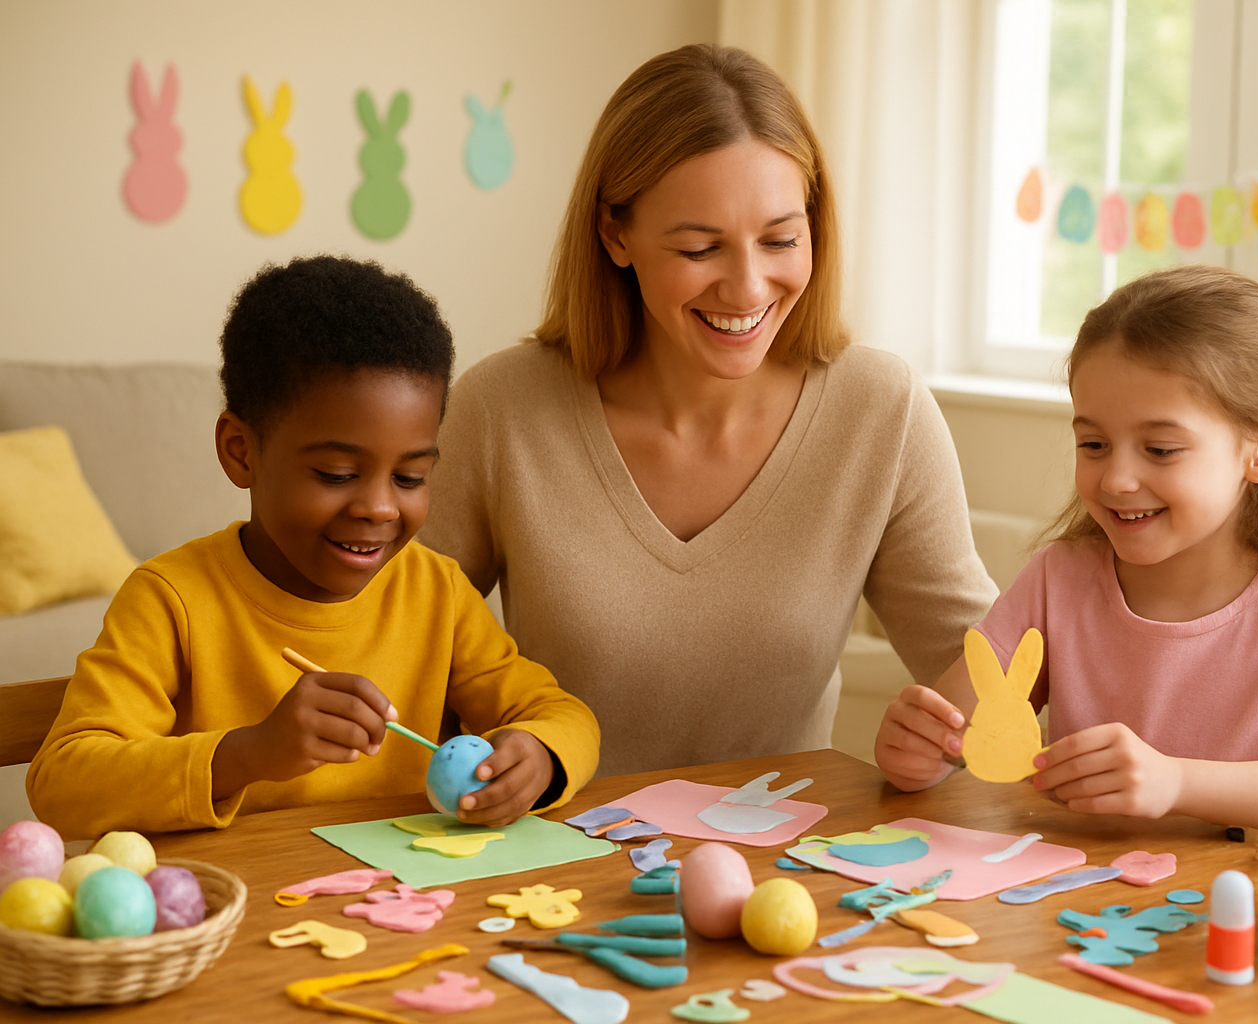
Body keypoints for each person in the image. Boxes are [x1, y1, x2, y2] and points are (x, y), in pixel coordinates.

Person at [418, 44, 997, 776]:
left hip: (784, 875)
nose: (748, 287)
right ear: (615, 234)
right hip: (544, 873)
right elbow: (397, 647)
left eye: (781, 239)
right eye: (699, 248)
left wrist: (942, 739)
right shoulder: (502, 409)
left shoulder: (881, 411)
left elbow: (988, 671)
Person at [27, 256, 600, 840]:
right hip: (237, 917)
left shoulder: (438, 593)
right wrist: (248, 754)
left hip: (406, 915)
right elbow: (62, 784)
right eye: (335, 473)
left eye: (409, 478)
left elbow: (564, 715)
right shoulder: (171, 600)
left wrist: (539, 755)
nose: (379, 507)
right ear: (241, 451)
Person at [873, 265, 1258, 829]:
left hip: (1239, 903)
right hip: (1076, 901)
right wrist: (920, 752)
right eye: (1093, 443)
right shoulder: (1056, 580)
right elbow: (957, 735)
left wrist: (1177, 782)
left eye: (1160, 449)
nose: (1116, 478)